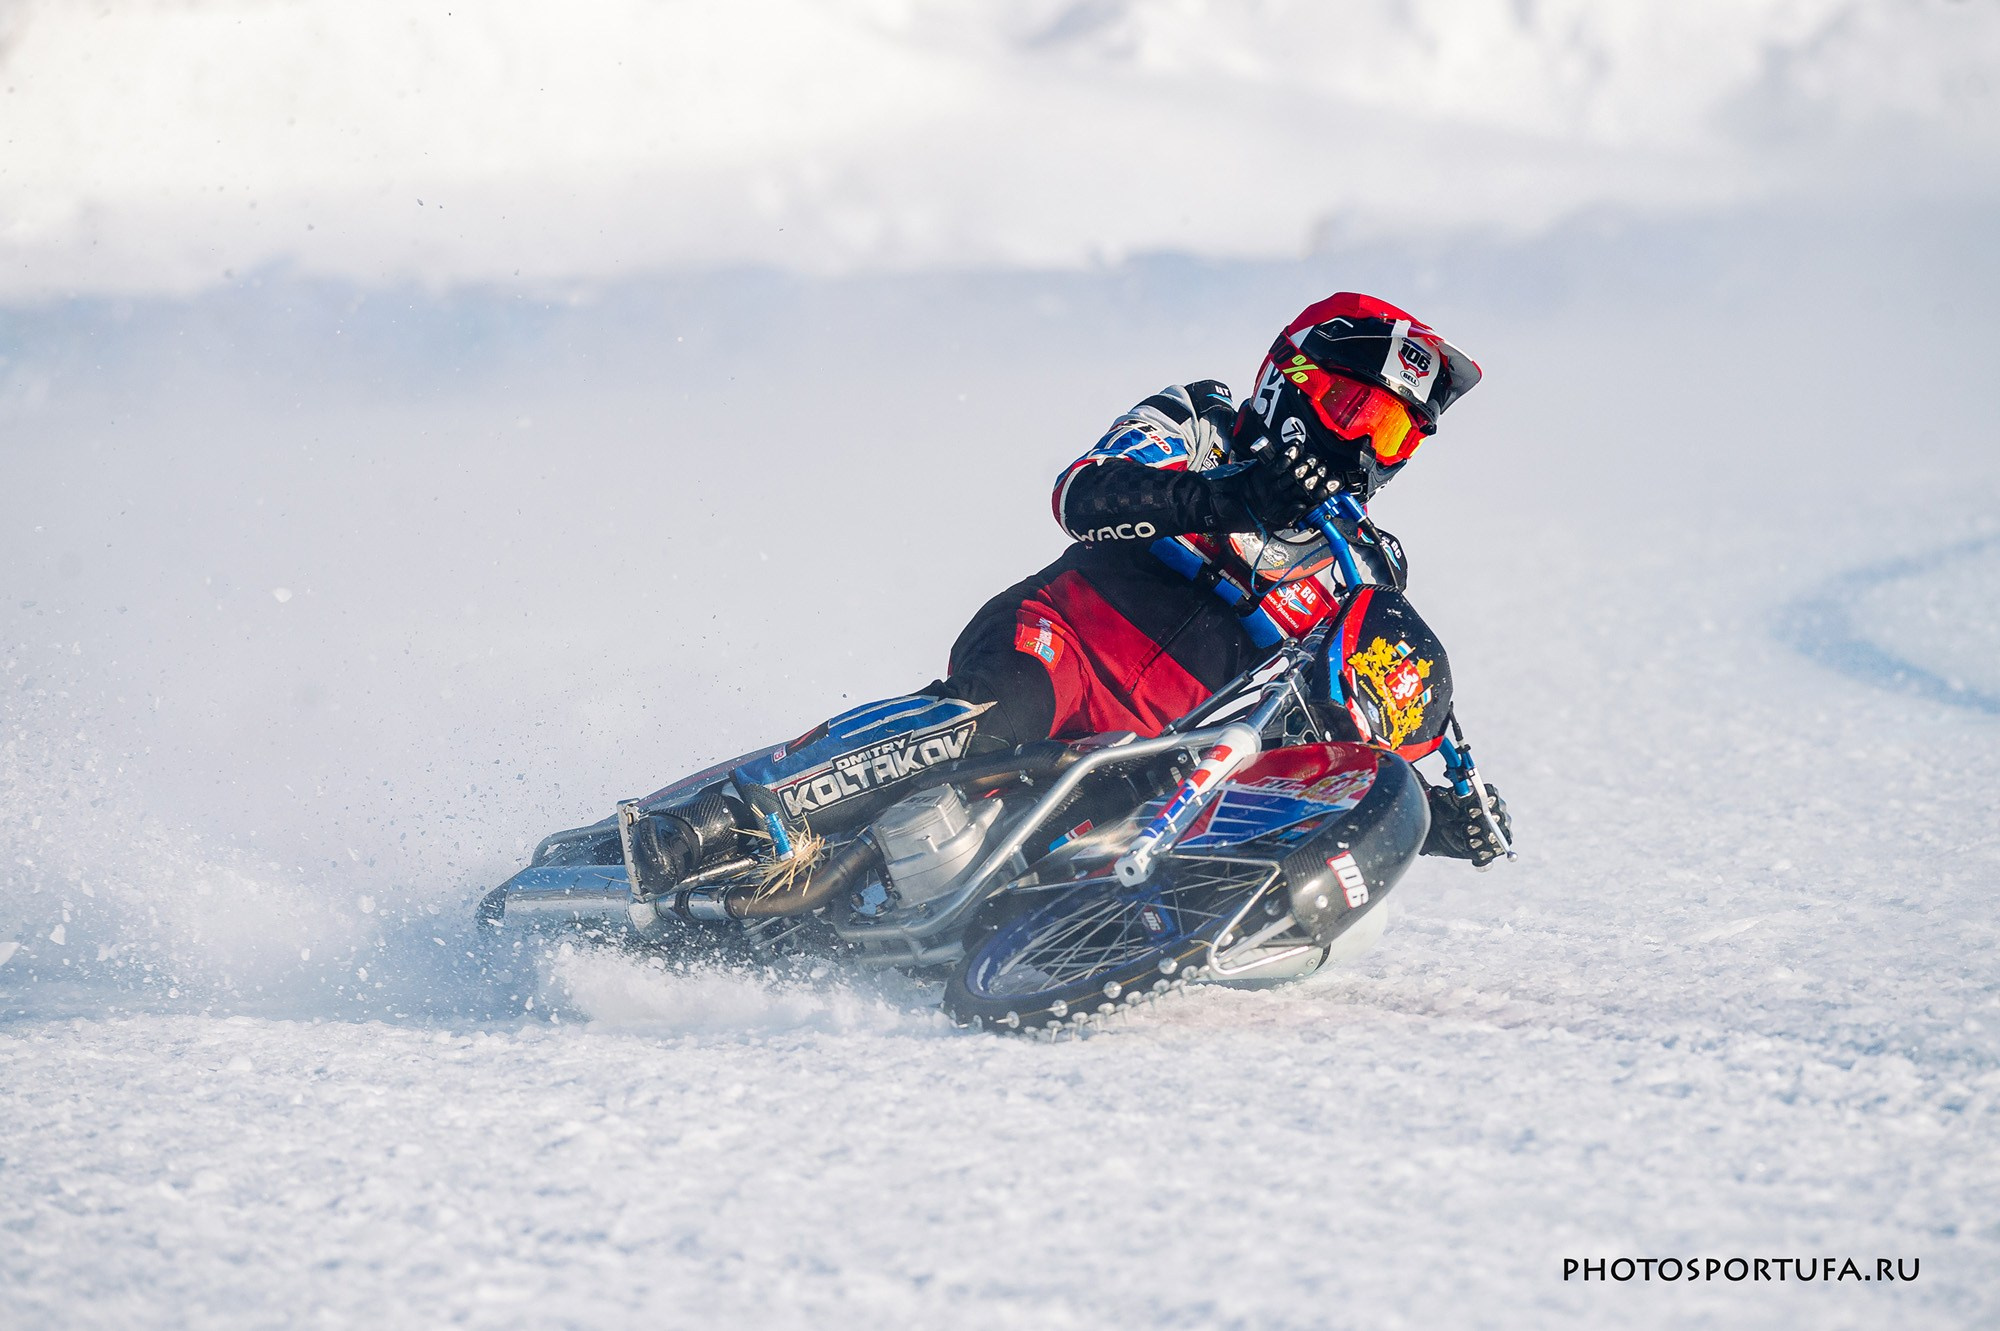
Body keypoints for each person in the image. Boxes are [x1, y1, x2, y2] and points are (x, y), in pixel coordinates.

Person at [630, 292, 1511, 899]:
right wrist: (1230, 495)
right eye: (1358, 412)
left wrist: (1427, 815)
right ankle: (729, 817)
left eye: (1397, 432)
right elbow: (1083, 495)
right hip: (1060, 645)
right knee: (992, 716)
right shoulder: (1204, 422)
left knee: (1130, 841)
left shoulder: (1361, 564)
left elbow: (1338, 720)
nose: (1369, 449)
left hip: (1161, 755)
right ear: (1292, 383)